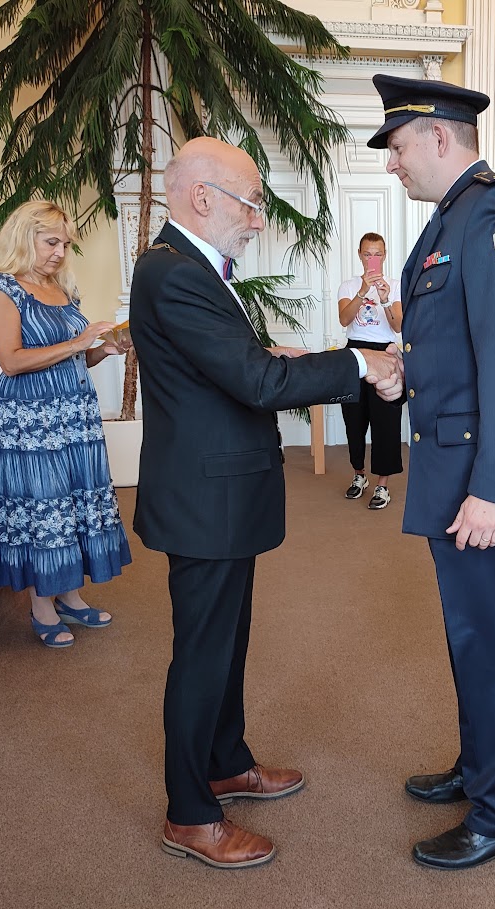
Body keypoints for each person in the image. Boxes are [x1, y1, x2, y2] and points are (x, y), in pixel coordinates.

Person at [129, 137, 403, 868]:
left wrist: (277, 358)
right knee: (202, 656)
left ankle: (225, 762)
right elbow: (252, 384)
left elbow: (230, 366)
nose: (257, 220)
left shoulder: (187, 268)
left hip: (221, 493)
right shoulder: (175, 273)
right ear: (202, 197)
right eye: (251, 204)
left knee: (226, 643)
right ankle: (190, 813)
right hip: (205, 500)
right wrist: (357, 362)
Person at [369, 73, 495, 870]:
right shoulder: (451, 218)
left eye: (397, 147)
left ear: (439, 137)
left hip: (486, 480)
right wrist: (404, 368)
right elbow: (456, 340)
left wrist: (491, 490)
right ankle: (481, 764)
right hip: (456, 469)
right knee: (471, 638)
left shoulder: (493, 217)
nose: (391, 163)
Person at [0, 201, 132, 648]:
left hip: (75, 417)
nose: (60, 252)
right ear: (24, 237)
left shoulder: (62, 288)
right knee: (43, 506)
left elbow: (77, 357)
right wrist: (78, 341)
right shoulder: (1, 289)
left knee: (72, 504)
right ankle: (41, 603)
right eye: (51, 242)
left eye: (65, 244)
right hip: (31, 422)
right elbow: (11, 361)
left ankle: (69, 594)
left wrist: (103, 349)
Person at [337, 232, 404, 509]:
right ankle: (359, 475)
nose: (372, 259)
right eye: (367, 254)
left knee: (385, 421)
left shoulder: (395, 286)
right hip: (355, 353)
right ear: (360, 255)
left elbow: (398, 326)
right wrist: (363, 291)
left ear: (384, 256)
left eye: (377, 254)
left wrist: (385, 299)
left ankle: (382, 485)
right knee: (354, 419)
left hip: (385, 354)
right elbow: (344, 319)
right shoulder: (348, 285)